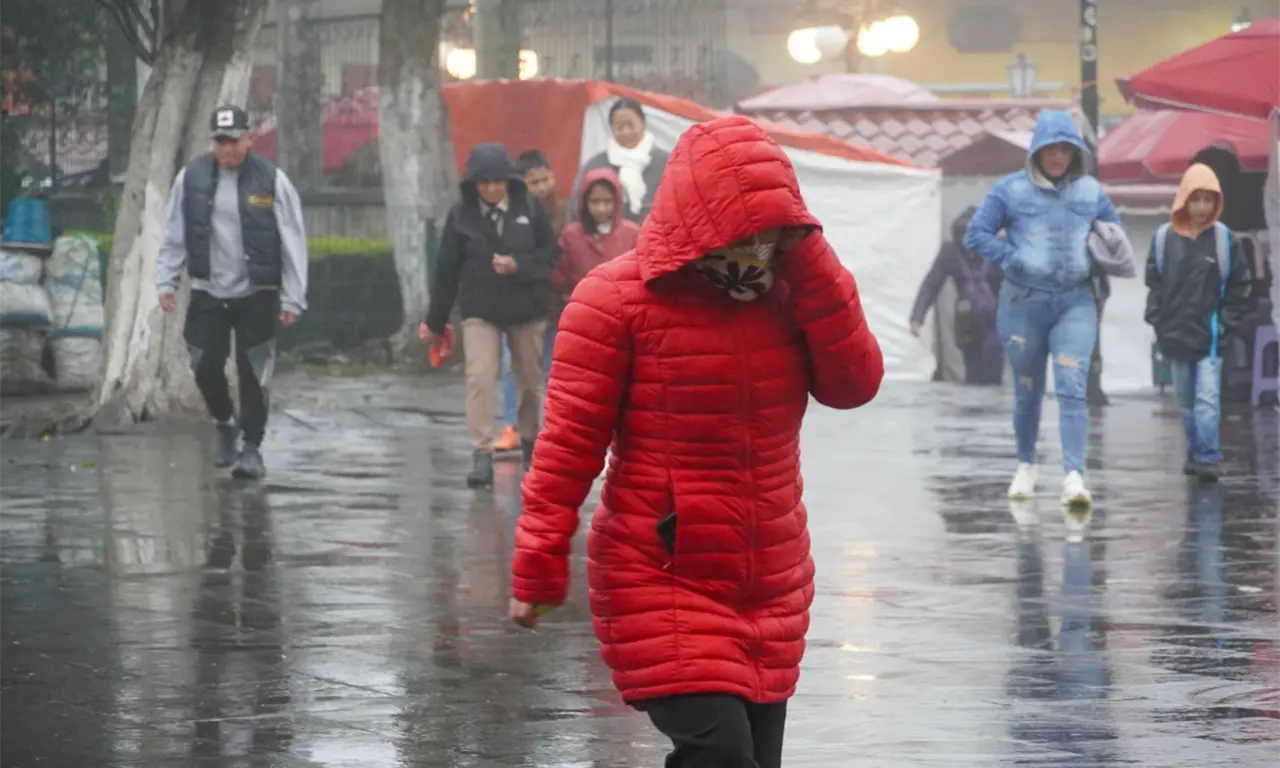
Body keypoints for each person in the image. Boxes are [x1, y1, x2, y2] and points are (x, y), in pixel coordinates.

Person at [508, 116, 884, 768]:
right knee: (721, 752)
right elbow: (568, 445)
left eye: (776, 229)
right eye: (750, 228)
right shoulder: (613, 301)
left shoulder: (791, 291)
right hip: (661, 576)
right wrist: (538, 561)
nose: (761, 247)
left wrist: (812, 258)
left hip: (771, 578)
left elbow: (855, 383)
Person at [964, 109, 1122, 506]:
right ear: (1036, 150)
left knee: (1072, 387)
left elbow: (1113, 234)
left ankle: (1073, 476)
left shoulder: (1091, 192)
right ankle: (1026, 465)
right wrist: (1009, 256)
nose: (1057, 156)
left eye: (1064, 149)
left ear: (1075, 152)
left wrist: (1109, 251)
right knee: (1026, 390)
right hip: (1023, 303)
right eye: (1050, 148)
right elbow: (976, 232)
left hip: (1076, 301)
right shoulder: (1010, 190)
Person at [156, 105, 309, 479]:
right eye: (221, 141)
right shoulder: (190, 178)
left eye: (234, 140)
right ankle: (225, 421)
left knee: (253, 373)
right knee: (204, 365)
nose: (227, 149)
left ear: (250, 139)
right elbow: (174, 231)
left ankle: (251, 448)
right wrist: (166, 279)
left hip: (257, 292)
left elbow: (293, 239)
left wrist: (293, 296)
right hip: (209, 290)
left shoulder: (272, 179)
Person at [420, 142, 558, 489]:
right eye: (484, 182)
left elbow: (551, 257)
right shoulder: (460, 216)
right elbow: (446, 271)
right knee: (479, 377)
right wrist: (436, 322)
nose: (492, 189)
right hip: (480, 309)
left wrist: (519, 266)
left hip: (526, 309)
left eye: (498, 181)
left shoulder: (530, 208)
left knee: (529, 379)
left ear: (509, 180)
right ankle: (481, 454)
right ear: (473, 184)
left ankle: (531, 445)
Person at [1144, 163, 1250, 482]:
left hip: (1210, 339)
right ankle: (1195, 449)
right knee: (1186, 403)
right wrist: (1158, 323)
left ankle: (1207, 457)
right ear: (1183, 199)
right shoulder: (1163, 239)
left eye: (1208, 199)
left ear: (1216, 202)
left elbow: (1239, 285)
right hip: (1175, 337)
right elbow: (1155, 284)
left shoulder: (1224, 240)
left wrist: (1224, 324)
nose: (1202, 207)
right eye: (1196, 199)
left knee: (1207, 400)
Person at [494, 150, 568, 455]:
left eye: (545, 179)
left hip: (557, 303)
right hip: (517, 302)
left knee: (550, 368)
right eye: (533, 181)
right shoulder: (510, 213)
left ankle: (546, 427)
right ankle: (511, 425)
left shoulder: (566, 211)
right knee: (513, 366)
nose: (541, 186)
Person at [909, 206, 1005, 385]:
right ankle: (975, 407)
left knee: (993, 360)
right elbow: (931, 284)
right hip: (968, 320)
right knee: (973, 372)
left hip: (996, 318)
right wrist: (917, 317)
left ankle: (991, 405)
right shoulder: (950, 252)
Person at [569, 97, 669, 224]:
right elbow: (576, 210)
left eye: (630, 125)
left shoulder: (666, 163)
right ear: (611, 129)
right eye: (619, 127)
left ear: (643, 124)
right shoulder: (596, 166)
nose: (626, 132)